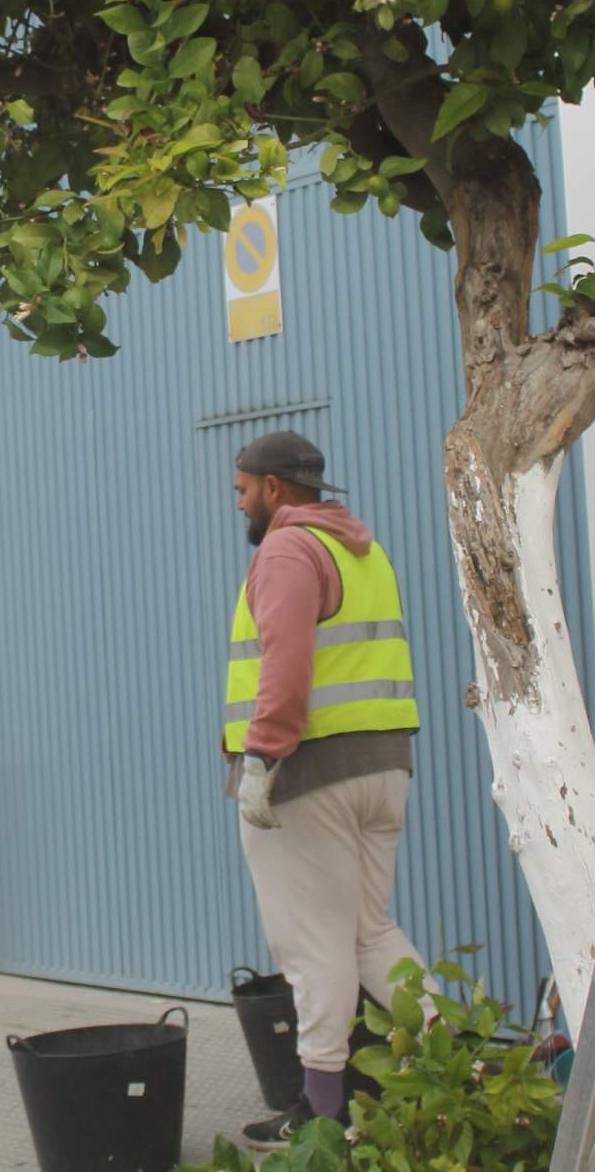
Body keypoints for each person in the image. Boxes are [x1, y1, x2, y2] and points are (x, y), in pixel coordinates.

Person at [224, 430, 429, 1148]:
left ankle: (320, 1114)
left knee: (313, 950)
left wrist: (259, 761)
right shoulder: (361, 550)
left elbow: (286, 664)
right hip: (383, 769)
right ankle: (453, 1067)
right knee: (369, 931)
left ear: (275, 489)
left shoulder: (285, 550)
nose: (241, 504)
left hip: (308, 778)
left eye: (243, 491)